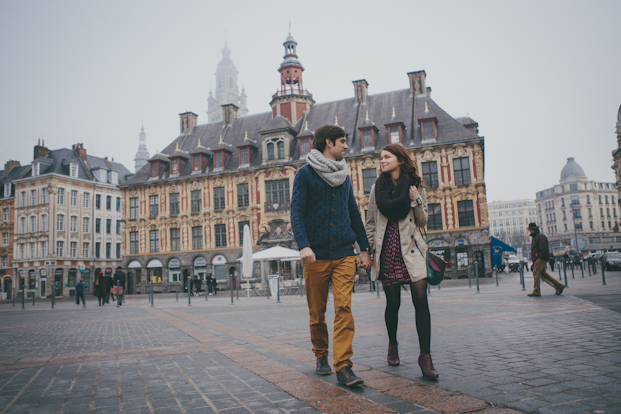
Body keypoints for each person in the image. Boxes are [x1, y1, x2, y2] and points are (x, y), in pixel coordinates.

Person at [291, 124, 371, 387]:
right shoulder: (305, 174)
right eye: (342, 142)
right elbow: (297, 213)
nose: (346, 146)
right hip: (315, 255)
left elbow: (354, 215)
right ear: (328, 143)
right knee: (317, 313)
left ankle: (344, 365)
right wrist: (303, 244)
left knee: (344, 308)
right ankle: (321, 354)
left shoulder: (344, 175)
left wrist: (364, 248)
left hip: (345, 253)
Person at [364, 143, 438, 379]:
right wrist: (368, 250)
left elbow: (423, 220)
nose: (382, 161)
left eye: (386, 157)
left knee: (421, 302)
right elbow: (371, 222)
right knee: (392, 304)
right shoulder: (378, 188)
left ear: (399, 159)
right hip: (388, 250)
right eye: (381, 158)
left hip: (412, 250)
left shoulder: (415, 186)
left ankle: (425, 357)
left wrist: (416, 200)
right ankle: (393, 344)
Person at [527, 223, 565, 296]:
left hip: (540, 258)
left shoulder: (539, 236)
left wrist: (540, 258)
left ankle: (536, 290)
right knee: (543, 274)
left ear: (532, 230)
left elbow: (543, 248)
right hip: (539, 258)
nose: (529, 231)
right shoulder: (536, 237)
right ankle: (559, 285)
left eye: (530, 230)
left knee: (536, 274)